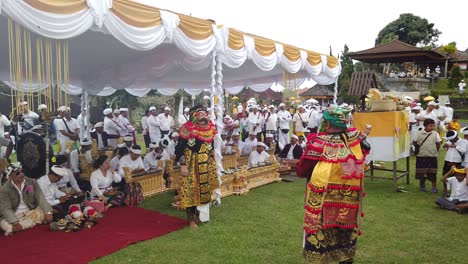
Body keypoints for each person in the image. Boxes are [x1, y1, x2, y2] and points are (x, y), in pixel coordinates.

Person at [296, 106, 369, 264]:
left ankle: (321, 258)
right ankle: (345, 258)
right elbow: (363, 157)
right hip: (349, 198)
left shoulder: (319, 142)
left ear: (328, 124)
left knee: (321, 230)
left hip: (323, 197)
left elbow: (302, 169)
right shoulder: (355, 139)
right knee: (345, 228)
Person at [175, 106, 219, 229]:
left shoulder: (210, 127)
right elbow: (179, 148)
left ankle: (200, 215)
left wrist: (211, 155)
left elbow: (212, 143)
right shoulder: (186, 128)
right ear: (193, 117)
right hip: (191, 164)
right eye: (199, 115)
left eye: (204, 114)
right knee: (191, 190)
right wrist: (183, 164)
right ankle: (190, 220)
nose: (202, 117)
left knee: (204, 189)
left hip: (205, 164)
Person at [0, 164, 53, 235]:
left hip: (31, 212)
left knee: (44, 213)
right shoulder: (4, 189)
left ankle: (15, 228)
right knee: (3, 222)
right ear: (10, 176)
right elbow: (6, 208)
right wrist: (15, 222)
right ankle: (23, 225)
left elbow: (40, 197)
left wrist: (48, 212)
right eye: (17, 173)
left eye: (22, 171)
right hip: (15, 215)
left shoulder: (31, 182)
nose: (21, 174)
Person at [414, 118, 441, 193]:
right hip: (421, 156)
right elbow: (414, 142)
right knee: (422, 173)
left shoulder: (435, 134)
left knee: (433, 173)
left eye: (433, 126)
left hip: (432, 156)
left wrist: (435, 151)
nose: (432, 127)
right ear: (425, 126)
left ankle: (434, 187)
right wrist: (417, 148)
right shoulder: (418, 133)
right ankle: (422, 185)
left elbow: (438, 143)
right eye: (430, 126)